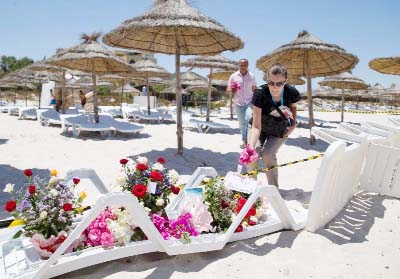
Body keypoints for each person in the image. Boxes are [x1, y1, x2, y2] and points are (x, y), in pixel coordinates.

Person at [248, 63, 300, 187]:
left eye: (279, 83)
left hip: (278, 128)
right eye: (271, 83)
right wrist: (249, 147)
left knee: (268, 154)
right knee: (252, 153)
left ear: (285, 81)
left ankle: (273, 188)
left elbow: (293, 109)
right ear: (267, 80)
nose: (275, 87)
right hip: (260, 127)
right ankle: (250, 187)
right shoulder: (259, 93)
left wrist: (292, 126)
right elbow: (255, 127)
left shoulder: (291, 92)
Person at [227, 59, 257, 148]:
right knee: (241, 123)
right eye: (241, 65)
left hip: (250, 101)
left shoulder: (252, 76)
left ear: (247, 65)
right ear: (239, 65)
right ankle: (244, 139)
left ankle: (248, 140)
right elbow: (228, 89)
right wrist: (232, 90)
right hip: (238, 102)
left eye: (245, 65)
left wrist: (258, 98)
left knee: (248, 119)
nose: (243, 67)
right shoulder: (233, 76)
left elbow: (254, 88)